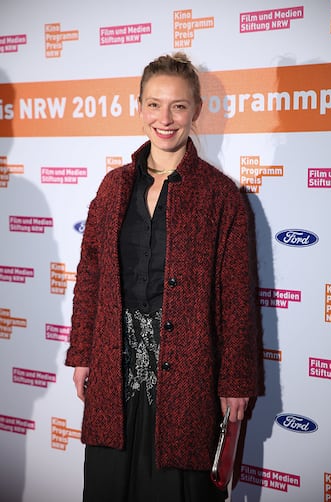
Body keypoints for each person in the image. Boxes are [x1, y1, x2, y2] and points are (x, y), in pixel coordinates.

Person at [65, 52, 260, 502]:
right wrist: (82, 353)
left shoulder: (220, 196)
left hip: (187, 381)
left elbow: (234, 298)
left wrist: (234, 380)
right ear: (138, 109)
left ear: (196, 111)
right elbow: (90, 275)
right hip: (114, 373)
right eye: (154, 104)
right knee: (107, 486)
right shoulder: (113, 187)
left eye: (178, 106)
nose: (165, 118)